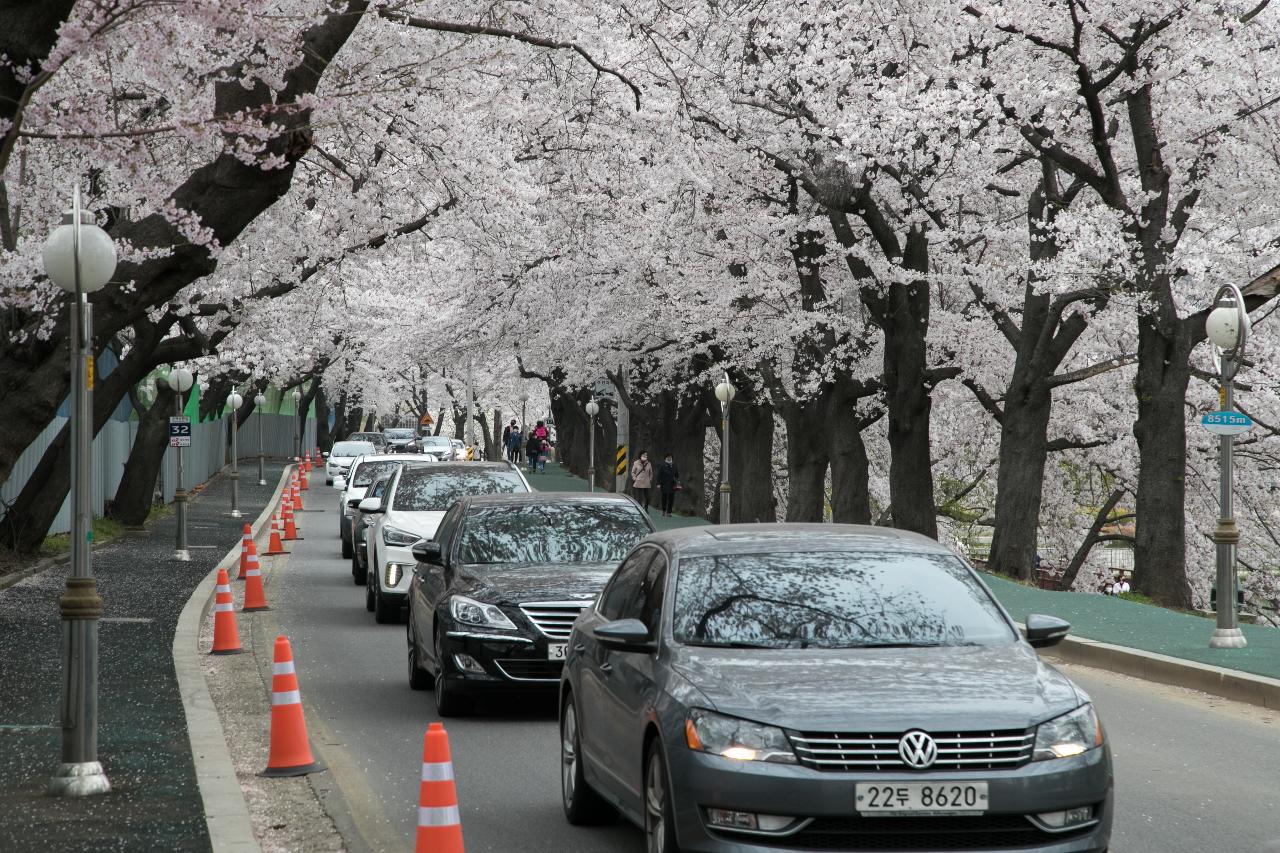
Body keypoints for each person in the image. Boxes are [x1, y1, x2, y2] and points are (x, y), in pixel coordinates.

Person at [656, 452, 680, 517]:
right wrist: (658, 484)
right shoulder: (662, 466)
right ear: (666, 458)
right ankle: (664, 511)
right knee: (664, 498)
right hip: (664, 484)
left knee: (671, 499)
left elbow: (677, 475)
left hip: (672, 485)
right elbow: (659, 475)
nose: (669, 458)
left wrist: (677, 481)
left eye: (670, 457)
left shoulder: (674, 465)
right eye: (668, 457)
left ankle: (669, 512)